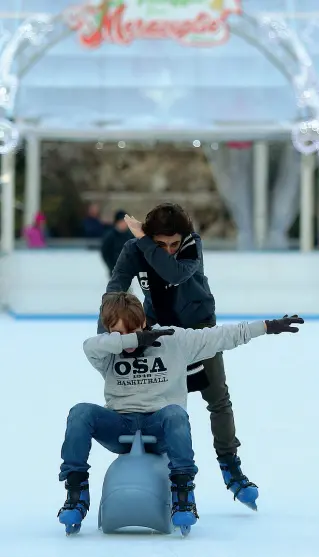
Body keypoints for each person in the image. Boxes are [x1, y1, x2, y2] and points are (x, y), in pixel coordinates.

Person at [58, 292, 303, 535]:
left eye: (134, 329)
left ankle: (182, 492)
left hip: (160, 425)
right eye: (119, 333)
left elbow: (222, 336)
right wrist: (130, 340)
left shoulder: (172, 340)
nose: (128, 339)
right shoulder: (106, 352)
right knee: (80, 413)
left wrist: (267, 326)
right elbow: (89, 345)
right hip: (119, 426)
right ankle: (76, 493)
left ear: (144, 321)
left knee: (175, 413)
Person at [97, 204, 260, 509]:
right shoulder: (135, 249)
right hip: (158, 330)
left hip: (198, 328)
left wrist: (146, 241)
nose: (170, 250)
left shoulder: (190, 247)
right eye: (162, 244)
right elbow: (114, 290)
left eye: (174, 243)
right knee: (161, 402)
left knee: (217, 398)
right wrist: (105, 337)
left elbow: (172, 272)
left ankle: (230, 465)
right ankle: (174, 474)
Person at [100, 210, 133, 276]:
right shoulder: (110, 236)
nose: (124, 224)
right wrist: (111, 267)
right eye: (122, 222)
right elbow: (105, 253)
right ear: (117, 222)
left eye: (125, 222)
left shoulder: (130, 235)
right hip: (114, 271)